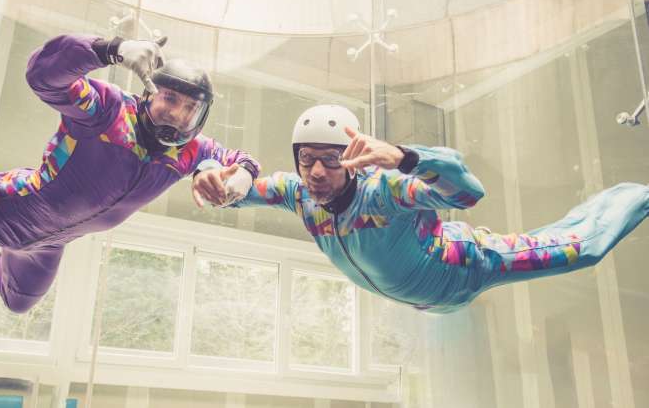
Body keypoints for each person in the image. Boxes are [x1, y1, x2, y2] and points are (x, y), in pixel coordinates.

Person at [0, 34, 258, 313]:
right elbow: (42, 76)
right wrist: (109, 49)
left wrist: (238, 177)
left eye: (190, 108)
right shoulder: (109, 109)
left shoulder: (193, 152)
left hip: (49, 242)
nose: (177, 115)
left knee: (18, 302)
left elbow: (240, 161)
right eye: (170, 98)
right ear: (150, 93)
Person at [192, 105, 648, 314]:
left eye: (331, 161)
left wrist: (407, 158)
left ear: (351, 161)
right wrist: (217, 174)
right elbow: (243, 185)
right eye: (306, 159)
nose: (315, 172)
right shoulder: (299, 194)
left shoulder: (384, 191)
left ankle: (641, 192)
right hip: (431, 304)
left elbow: (467, 194)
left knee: (583, 250)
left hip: (467, 266)